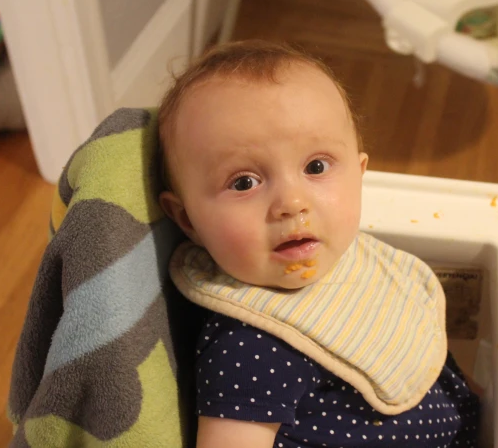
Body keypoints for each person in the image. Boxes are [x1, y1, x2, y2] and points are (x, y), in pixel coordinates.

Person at [158, 40, 480, 448]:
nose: (292, 204)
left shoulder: (354, 259)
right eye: (244, 182)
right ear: (187, 219)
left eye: (316, 167)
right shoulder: (247, 347)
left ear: (360, 173)